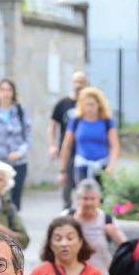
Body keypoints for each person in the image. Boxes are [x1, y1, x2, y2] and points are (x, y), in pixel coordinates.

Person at [0, 78, 32, 209]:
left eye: (9, 90)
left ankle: (13, 224)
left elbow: (28, 137)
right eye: (2, 90)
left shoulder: (20, 111)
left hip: (18, 162)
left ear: (13, 93)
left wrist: (20, 153)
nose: (6, 93)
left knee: (15, 199)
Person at [60, 86, 119, 186]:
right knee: (83, 195)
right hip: (82, 164)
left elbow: (114, 146)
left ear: (99, 105)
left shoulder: (107, 121)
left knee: (100, 198)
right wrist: (62, 170)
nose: (89, 108)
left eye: (92, 105)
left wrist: (111, 165)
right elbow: (66, 146)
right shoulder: (76, 121)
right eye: (87, 105)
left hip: (101, 165)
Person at [50, 69, 87, 204]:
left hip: (84, 150)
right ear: (72, 83)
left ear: (86, 84)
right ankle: (67, 209)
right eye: (76, 82)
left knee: (83, 185)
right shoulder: (63, 103)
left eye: (81, 82)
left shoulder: (89, 104)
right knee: (67, 184)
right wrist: (52, 145)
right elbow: (53, 126)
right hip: (68, 150)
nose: (79, 85)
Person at [68, 178, 125, 262]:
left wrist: (115, 235)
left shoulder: (107, 220)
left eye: (92, 199)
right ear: (78, 199)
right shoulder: (68, 217)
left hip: (102, 273)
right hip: (72, 274)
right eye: (85, 198)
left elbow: (125, 247)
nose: (89, 203)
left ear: (99, 200)